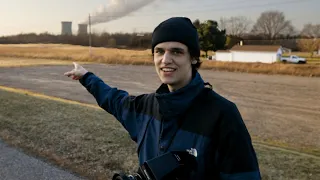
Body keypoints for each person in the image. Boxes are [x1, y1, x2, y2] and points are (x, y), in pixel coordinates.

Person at [64, 17, 261, 179]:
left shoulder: (223, 115)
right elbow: (113, 99)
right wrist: (86, 76)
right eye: (159, 51)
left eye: (176, 51)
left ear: (193, 58)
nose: (165, 60)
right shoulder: (145, 107)